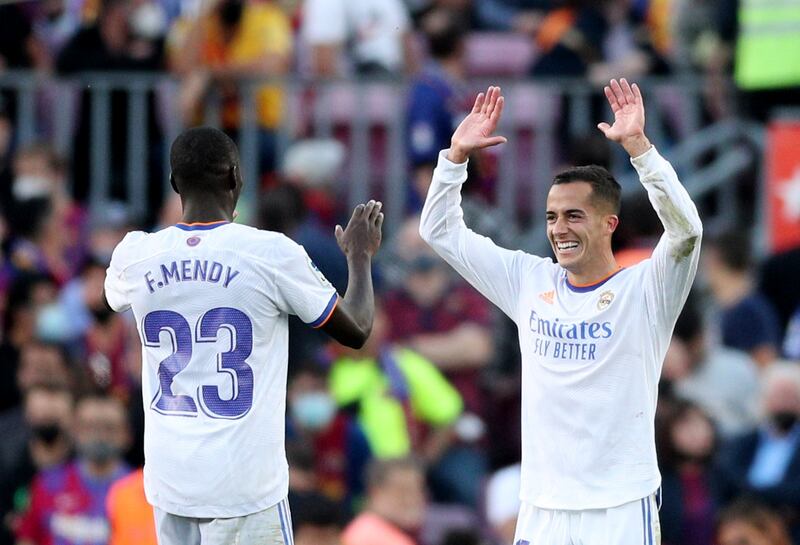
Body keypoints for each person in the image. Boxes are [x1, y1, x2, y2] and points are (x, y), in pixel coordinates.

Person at [419, 80, 702, 544]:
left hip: (619, 506)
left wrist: (640, 150)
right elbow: (440, 232)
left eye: (574, 216)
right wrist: (454, 158)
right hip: (543, 506)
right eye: (552, 217)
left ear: (609, 223)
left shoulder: (646, 289)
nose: (559, 229)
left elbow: (686, 232)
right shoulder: (529, 281)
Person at [102, 126, 383, 545]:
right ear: (236, 178)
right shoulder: (271, 253)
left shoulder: (134, 253)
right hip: (245, 490)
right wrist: (360, 259)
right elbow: (357, 329)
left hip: (171, 485)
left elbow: (112, 298)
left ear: (175, 183)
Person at [15, 394, 132, 545]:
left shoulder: (144, 491)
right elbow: (27, 538)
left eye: (109, 428)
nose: (99, 436)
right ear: (75, 431)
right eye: (90, 427)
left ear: (127, 434)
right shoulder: (47, 483)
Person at [341, 457, 426, 545]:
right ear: (375, 492)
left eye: (417, 489)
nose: (411, 499)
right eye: (402, 490)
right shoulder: (370, 536)